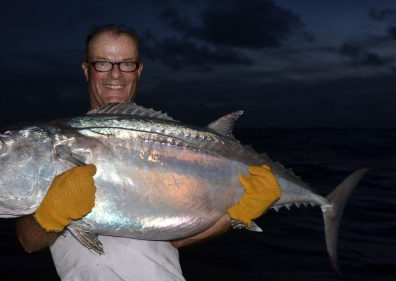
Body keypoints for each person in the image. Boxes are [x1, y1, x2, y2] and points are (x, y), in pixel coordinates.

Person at [16, 24, 281, 281]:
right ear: (87, 70)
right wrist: (48, 216)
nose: (115, 74)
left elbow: (180, 239)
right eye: (103, 63)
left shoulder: (165, 144)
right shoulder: (50, 147)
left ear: (138, 70)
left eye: (126, 63)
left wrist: (234, 218)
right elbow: (28, 241)